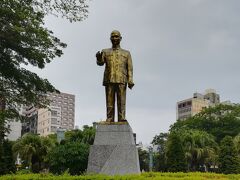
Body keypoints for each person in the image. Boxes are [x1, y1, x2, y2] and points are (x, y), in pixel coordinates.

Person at [96, 30, 134, 122]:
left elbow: (130, 68)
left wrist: (130, 79)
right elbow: (101, 63)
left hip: (122, 79)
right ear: (110, 39)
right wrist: (98, 58)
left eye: (116, 36)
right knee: (109, 102)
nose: (114, 38)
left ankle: (122, 118)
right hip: (109, 79)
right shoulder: (105, 51)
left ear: (120, 38)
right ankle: (109, 118)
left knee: (121, 101)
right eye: (112, 37)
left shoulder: (126, 53)